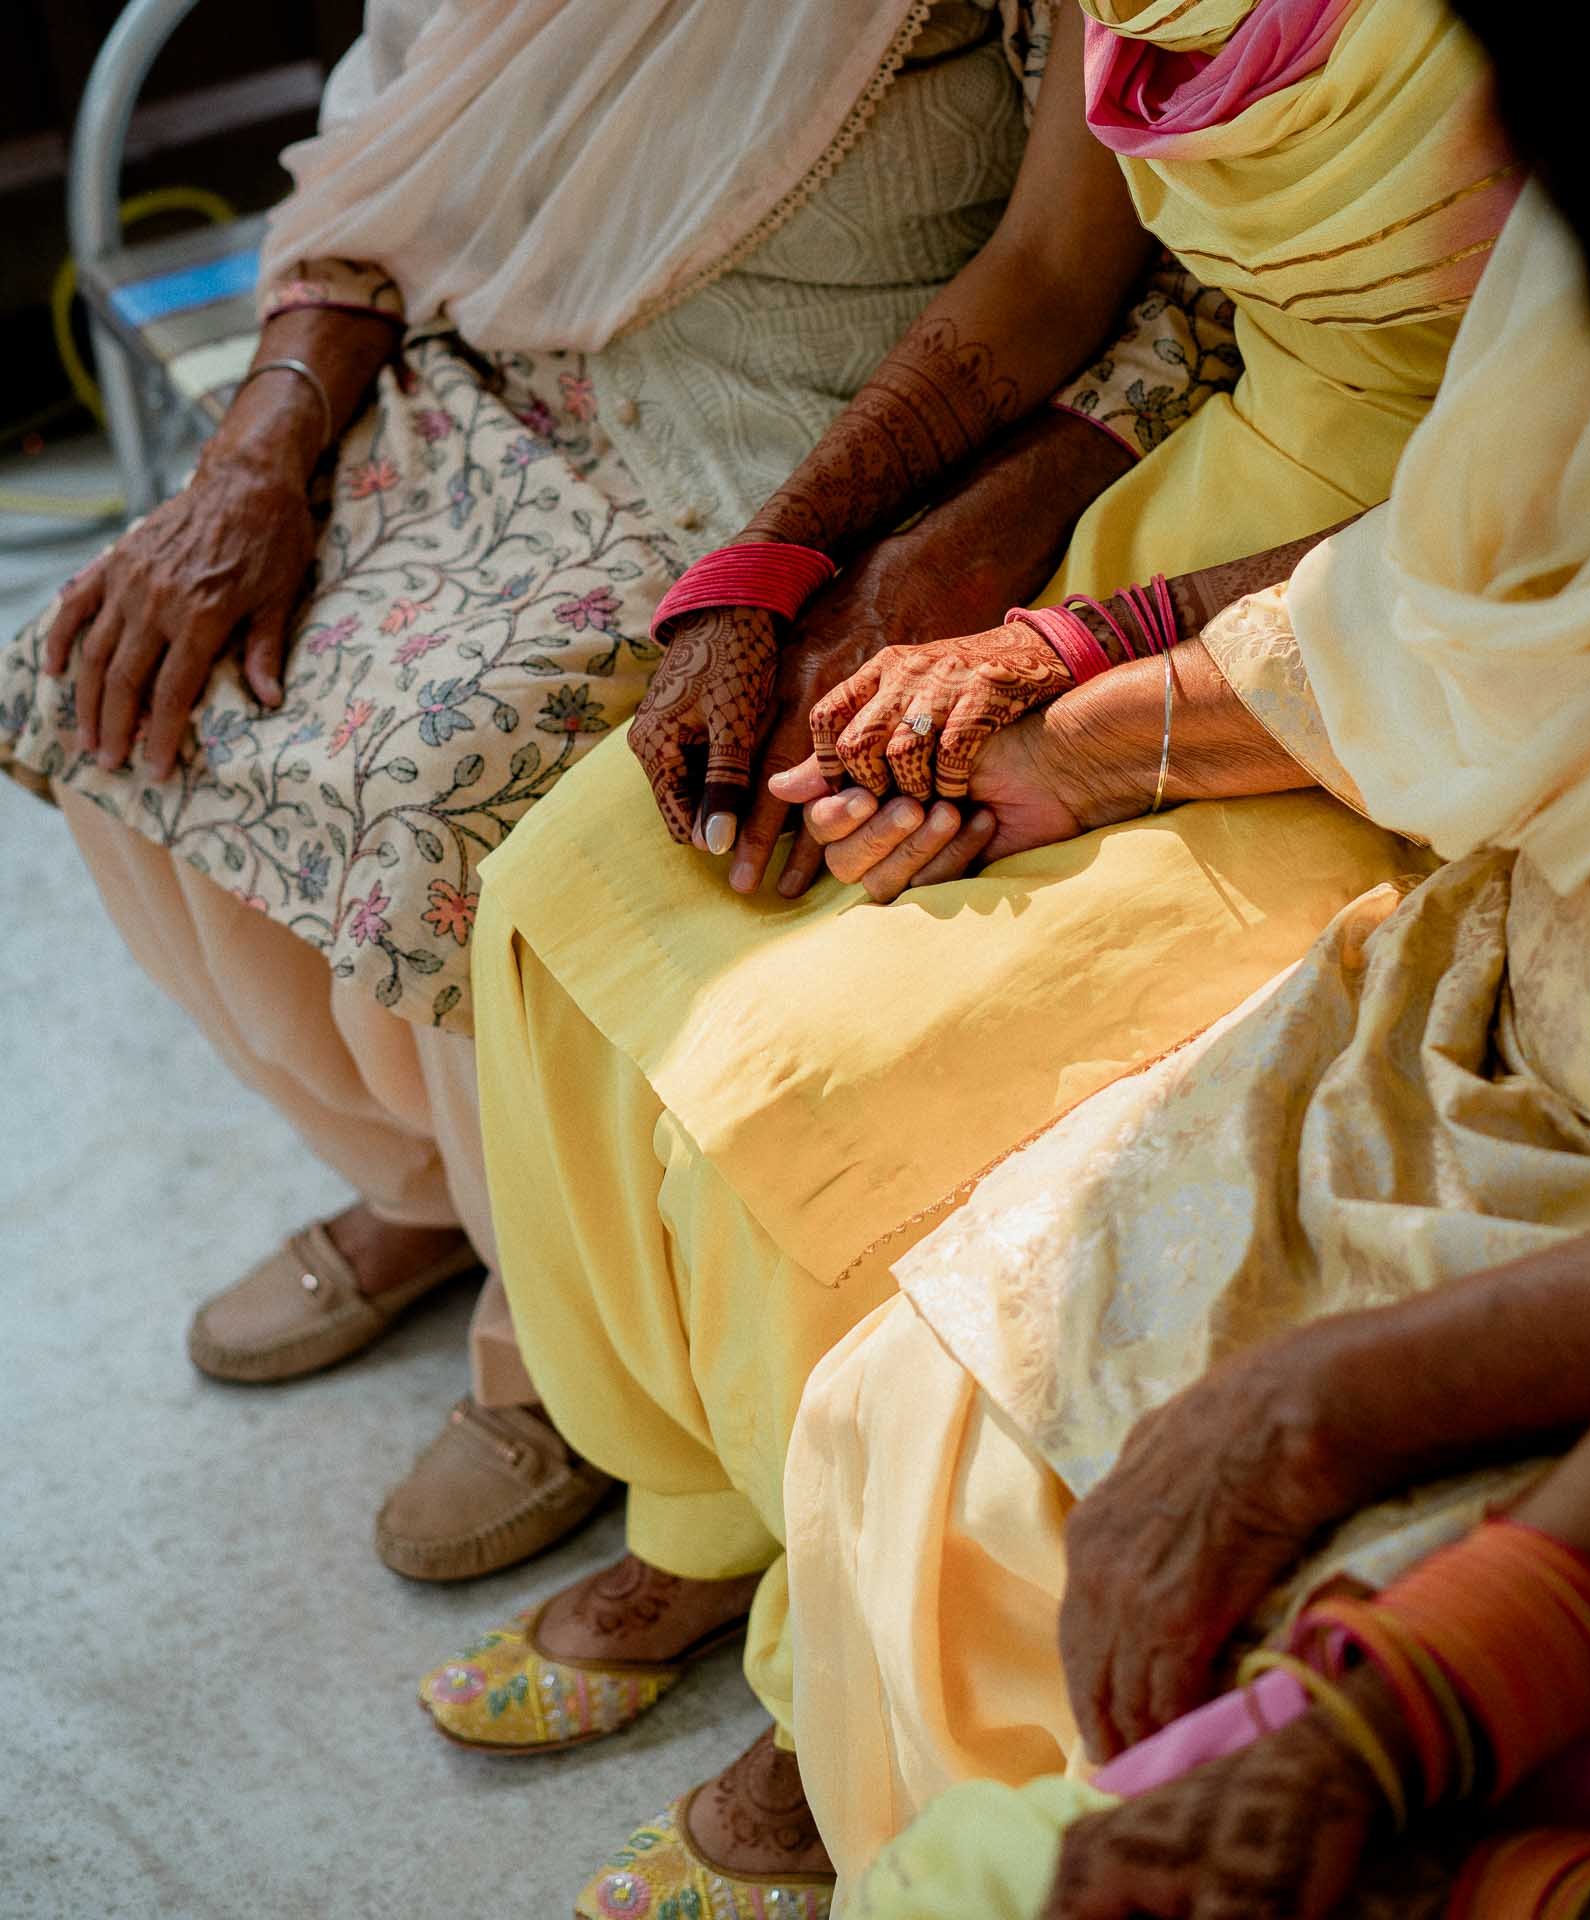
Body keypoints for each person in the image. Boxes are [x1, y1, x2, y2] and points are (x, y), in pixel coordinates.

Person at [429, 1, 1515, 1910]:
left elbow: (1529, 517)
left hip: (1420, 619)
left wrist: (1068, 674)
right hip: (1208, 513)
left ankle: (823, 1686)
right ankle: (709, 1515)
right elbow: (1038, 277)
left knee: (818, 1075)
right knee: (572, 878)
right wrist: (762, 575)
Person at [0, 0, 1196, 1579]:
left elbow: (1109, 279)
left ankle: (560, 1348)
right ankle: (425, 1183)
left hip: (783, 461)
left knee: (438, 822)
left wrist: (840, 563)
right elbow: (390, 149)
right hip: (497, 359)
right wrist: (257, 448)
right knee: (107, 687)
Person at [822, 33, 1590, 1911]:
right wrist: (1049, 713)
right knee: (909, 1401)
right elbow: (1460, 584)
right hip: (1549, 958)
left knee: (1055, 1832)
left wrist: (1387, 1672)